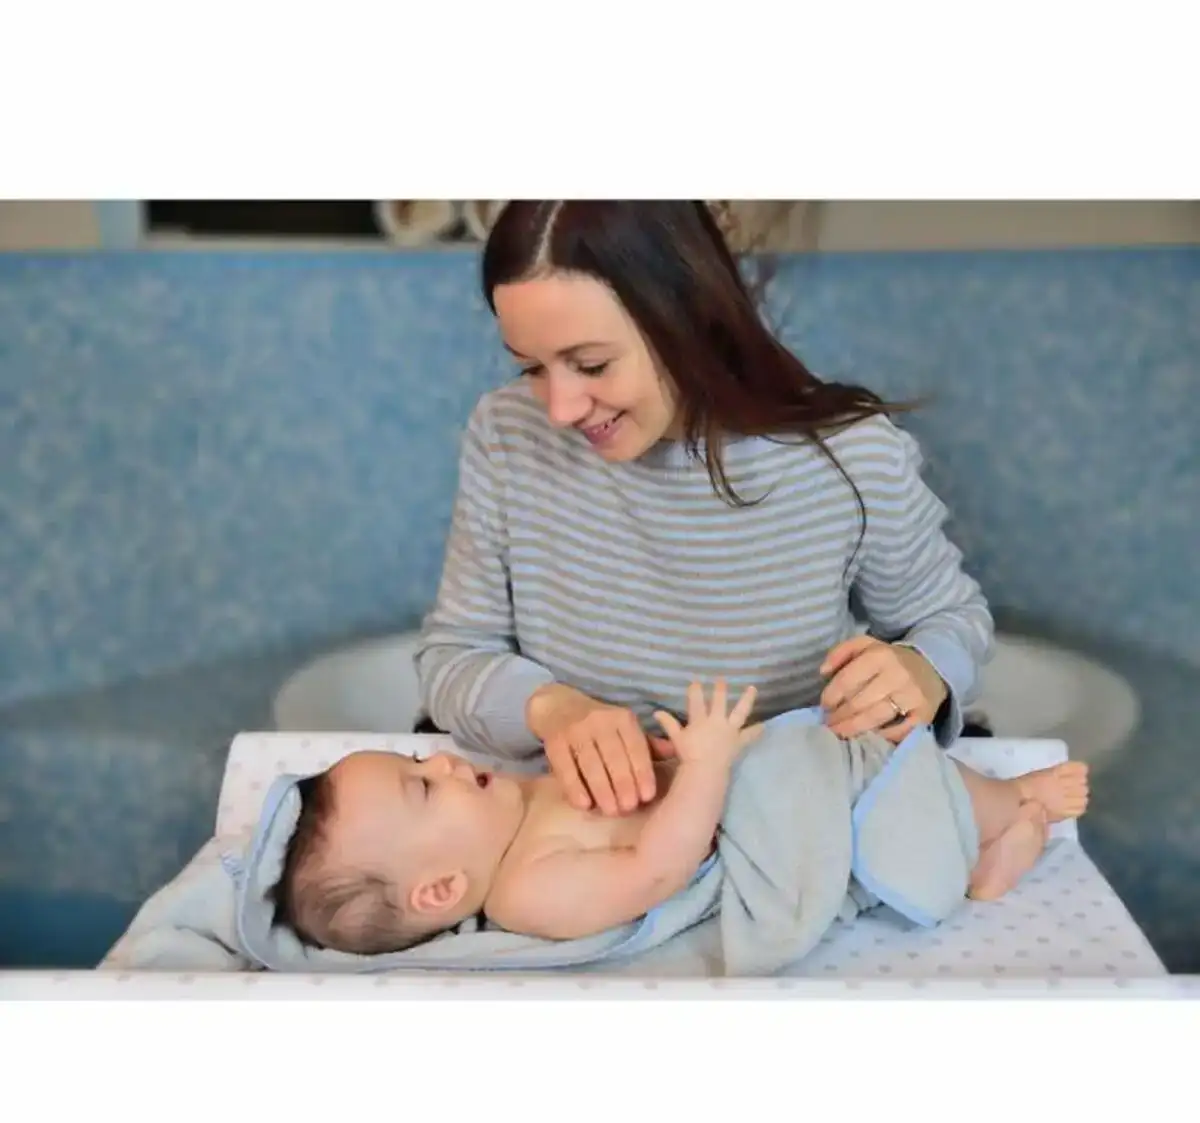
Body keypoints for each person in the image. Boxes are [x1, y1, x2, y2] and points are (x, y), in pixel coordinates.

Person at [415, 201, 995, 818]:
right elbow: (453, 656)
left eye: (591, 365)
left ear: (687, 316)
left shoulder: (852, 459)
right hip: (575, 828)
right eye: (533, 367)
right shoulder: (507, 433)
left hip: (783, 826)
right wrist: (553, 710)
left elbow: (950, 618)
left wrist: (922, 669)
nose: (560, 409)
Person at [276, 681, 1089, 956]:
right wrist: (703, 769)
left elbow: (628, 791)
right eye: (424, 789)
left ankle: (996, 829)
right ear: (440, 890)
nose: (445, 763)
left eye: (421, 762)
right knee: (895, 798)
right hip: (755, 832)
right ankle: (1014, 809)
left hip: (753, 786)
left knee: (866, 757)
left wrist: (664, 760)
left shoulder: (518, 800)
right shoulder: (527, 892)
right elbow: (655, 869)